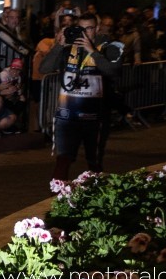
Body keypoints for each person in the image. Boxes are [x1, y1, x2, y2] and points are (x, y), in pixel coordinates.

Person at [39, 13, 121, 180]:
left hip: (94, 116)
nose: (84, 33)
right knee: (63, 158)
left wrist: (92, 52)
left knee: (94, 160)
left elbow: (113, 71)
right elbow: (44, 69)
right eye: (81, 29)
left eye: (89, 29)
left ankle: (98, 196)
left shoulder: (107, 47)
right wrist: (58, 46)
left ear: (97, 29)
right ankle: (57, 197)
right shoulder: (69, 48)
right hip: (66, 115)